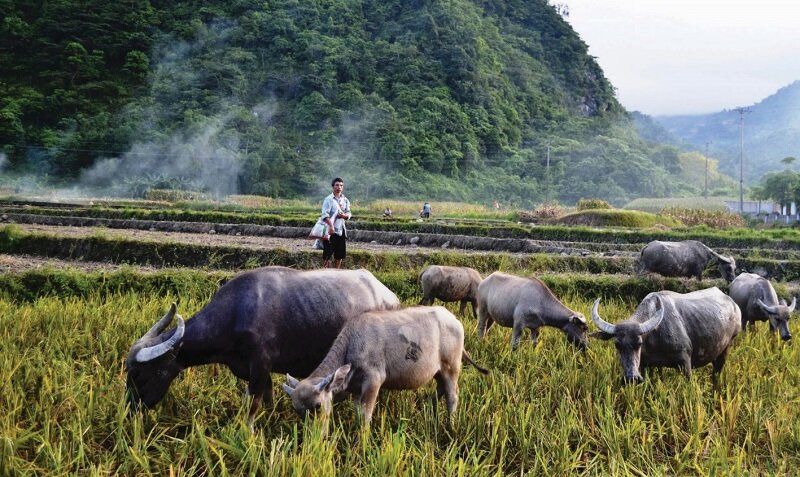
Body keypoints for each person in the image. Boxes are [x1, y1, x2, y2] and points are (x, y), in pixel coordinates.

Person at [321, 177, 351, 268]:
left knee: (339, 254)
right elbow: (324, 215)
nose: (339, 187)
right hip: (330, 231)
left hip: (341, 230)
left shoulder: (345, 200)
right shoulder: (328, 199)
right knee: (328, 254)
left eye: (341, 185)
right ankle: (324, 273)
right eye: (337, 185)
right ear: (333, 186)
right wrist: (331, 226)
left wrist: (344, 216)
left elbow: (348, 212)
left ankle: (336, 273)